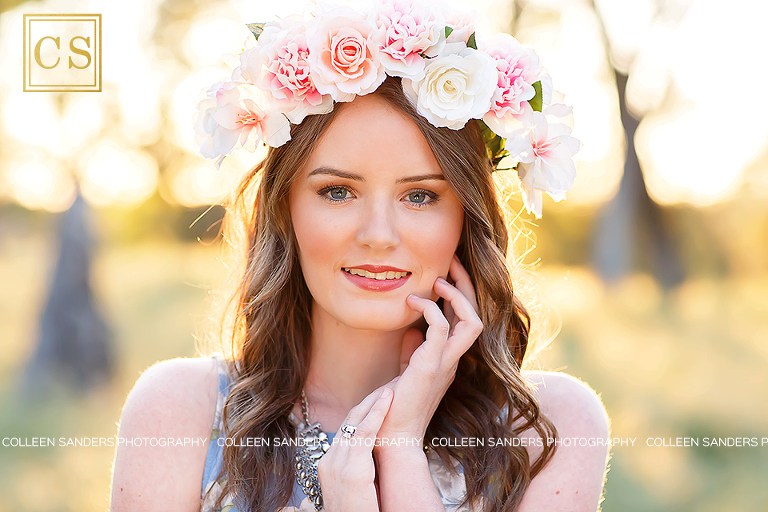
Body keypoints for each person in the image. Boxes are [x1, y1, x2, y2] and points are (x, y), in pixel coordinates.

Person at [109, 2, 610, 511]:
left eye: (420, 196)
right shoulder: (180, 414)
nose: (377, 236)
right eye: (337, 192)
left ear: (466, 217)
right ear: (286, 210)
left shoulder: (549, 429)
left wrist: (400, 450)